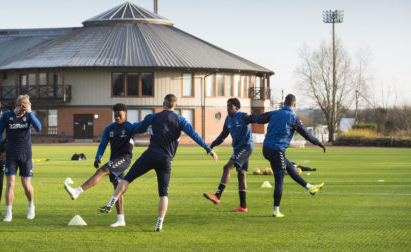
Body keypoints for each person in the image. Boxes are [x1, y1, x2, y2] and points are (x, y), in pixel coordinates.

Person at [98, 94, 218, 232]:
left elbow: (138, 127)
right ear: (176, 105)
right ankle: (159, 224)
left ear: (163, 104)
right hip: (165, 161)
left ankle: (111, 203)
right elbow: (194, 135)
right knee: (163, 194)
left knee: (126, 179)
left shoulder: (154, 116)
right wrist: (209, 150)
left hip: (150, 155)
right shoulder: (181, 120)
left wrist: (131, 125)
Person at [64, 103, 137, 227]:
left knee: (102, 170)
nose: (117, 118)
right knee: (117, 188)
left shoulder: (130, 127)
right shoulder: (110, 128)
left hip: (124, 158)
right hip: (114, 158)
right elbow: (103, 144)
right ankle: (121, 220)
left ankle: (77, 191)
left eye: (120, 115)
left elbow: (142, 128)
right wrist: (98, 156)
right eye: (115, 116)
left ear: (125, 114)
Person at [262, 94, 326, 218]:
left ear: (283, 103)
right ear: (294, 105)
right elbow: (306, 134)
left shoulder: (274, 113)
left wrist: (245, 118)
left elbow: (259, 118)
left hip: (267, 149)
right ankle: (276, 211)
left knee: (290, 167)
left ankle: (310, 188)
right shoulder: (293, 118)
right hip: (276, 150)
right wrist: (318, 142)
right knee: (279, 180)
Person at [203, 98, 270, 212]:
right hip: (238, 149)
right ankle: (243, 206)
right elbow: (223, 135)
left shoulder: (243, 116)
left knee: (227, 167)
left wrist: (271, 115)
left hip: (246, 148)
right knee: (241, 175)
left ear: (237, 107)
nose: (228, 108)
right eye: (227, 106)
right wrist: (213, 145)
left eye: (230, 106)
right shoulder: (228, 119)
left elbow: (257, 118)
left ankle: (217, 196)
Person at [0, 94, 42, 222]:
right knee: (10, 184)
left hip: (26, 155)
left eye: (25, 110)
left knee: (26, 185)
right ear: (17, 106)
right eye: (22, 109)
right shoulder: (7, 116)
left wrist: (30, 113)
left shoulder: (28, 115)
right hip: (11, 155)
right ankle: (9, 213)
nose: (23, 112)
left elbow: (39, 128)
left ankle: (31, 205)